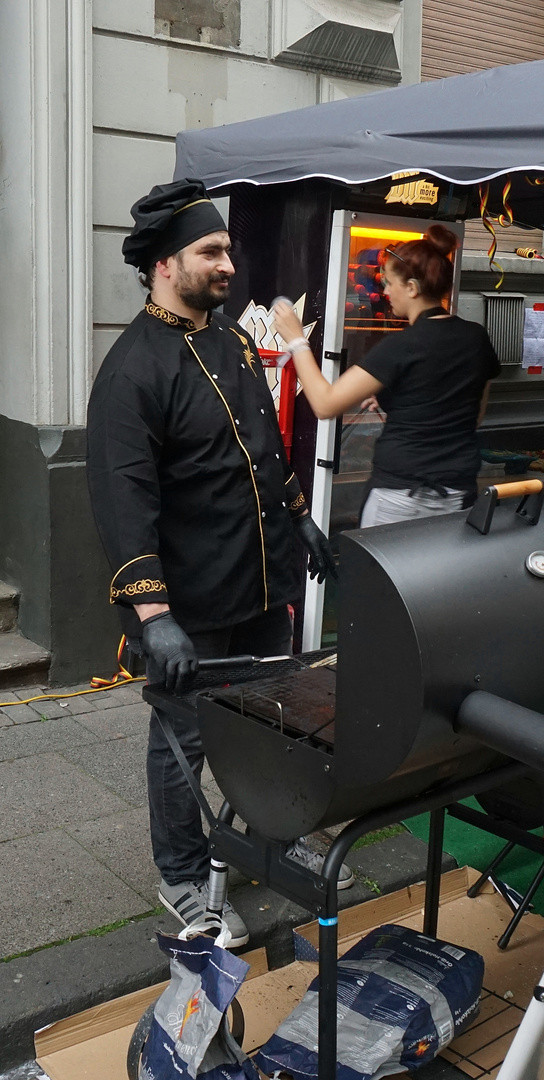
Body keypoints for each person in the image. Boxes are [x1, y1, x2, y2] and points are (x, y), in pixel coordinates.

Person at [87, 179, 342, 947]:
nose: (228, 262)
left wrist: (301, 520)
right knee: (183, 742)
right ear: (167, 264)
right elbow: (122, 500)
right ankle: (183, 879)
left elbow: (262, 448)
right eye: (212, 250)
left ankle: (265, 838)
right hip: (189, 605)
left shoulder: (231, 339)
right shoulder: (132, 370)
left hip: (260, 581)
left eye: (227, 248)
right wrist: (152, 617)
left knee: (270, 723)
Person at [275, 225, 501, 527]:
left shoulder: (401, 345)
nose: (384, 292)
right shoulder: (476, 337)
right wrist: (398, 395)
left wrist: (296, 340)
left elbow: (325, 404)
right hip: (457, 493)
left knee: (384, 575)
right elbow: (473, 414)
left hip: (398, 497)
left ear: (411, 287)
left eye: (389, 282)